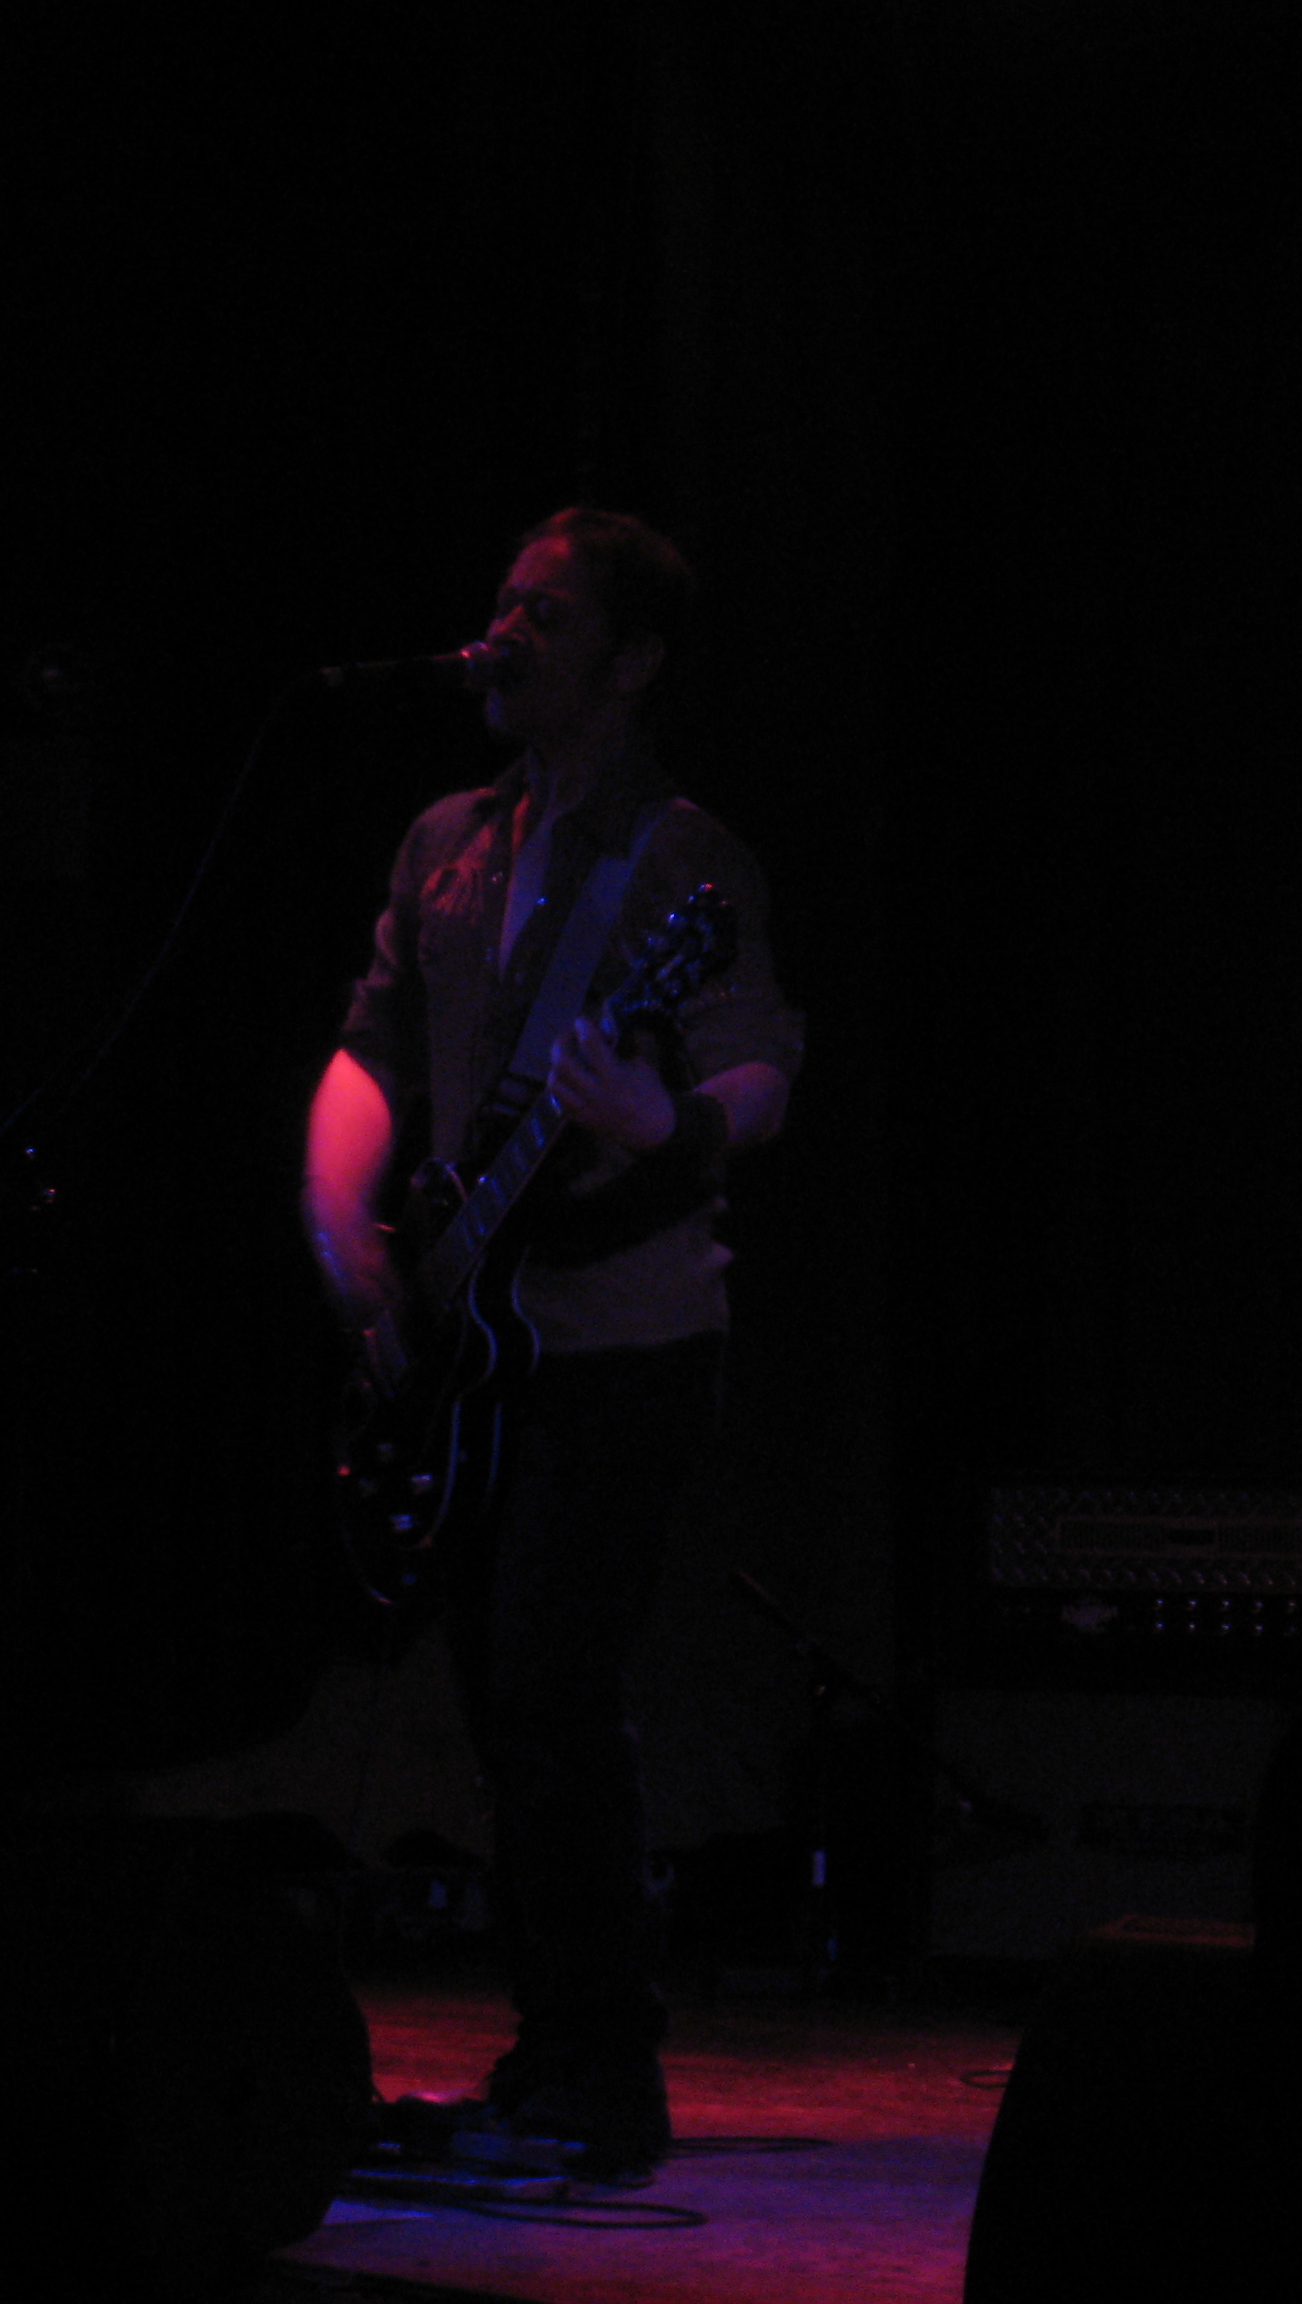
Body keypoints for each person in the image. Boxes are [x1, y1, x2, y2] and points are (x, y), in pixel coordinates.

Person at [304, 508, 803, 2177]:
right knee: (504, 1706)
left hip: (625, 1338)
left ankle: (605, 2072)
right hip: (474, 1339)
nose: (502, 634)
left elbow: (760, 1066)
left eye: (547, 615)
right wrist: (342, 1226)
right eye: (502, 604)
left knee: (550, 1690)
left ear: (634, 661)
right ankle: (552, 2059)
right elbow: (373, 1045)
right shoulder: (446, 841)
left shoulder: (683, 860)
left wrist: (670, 1124)